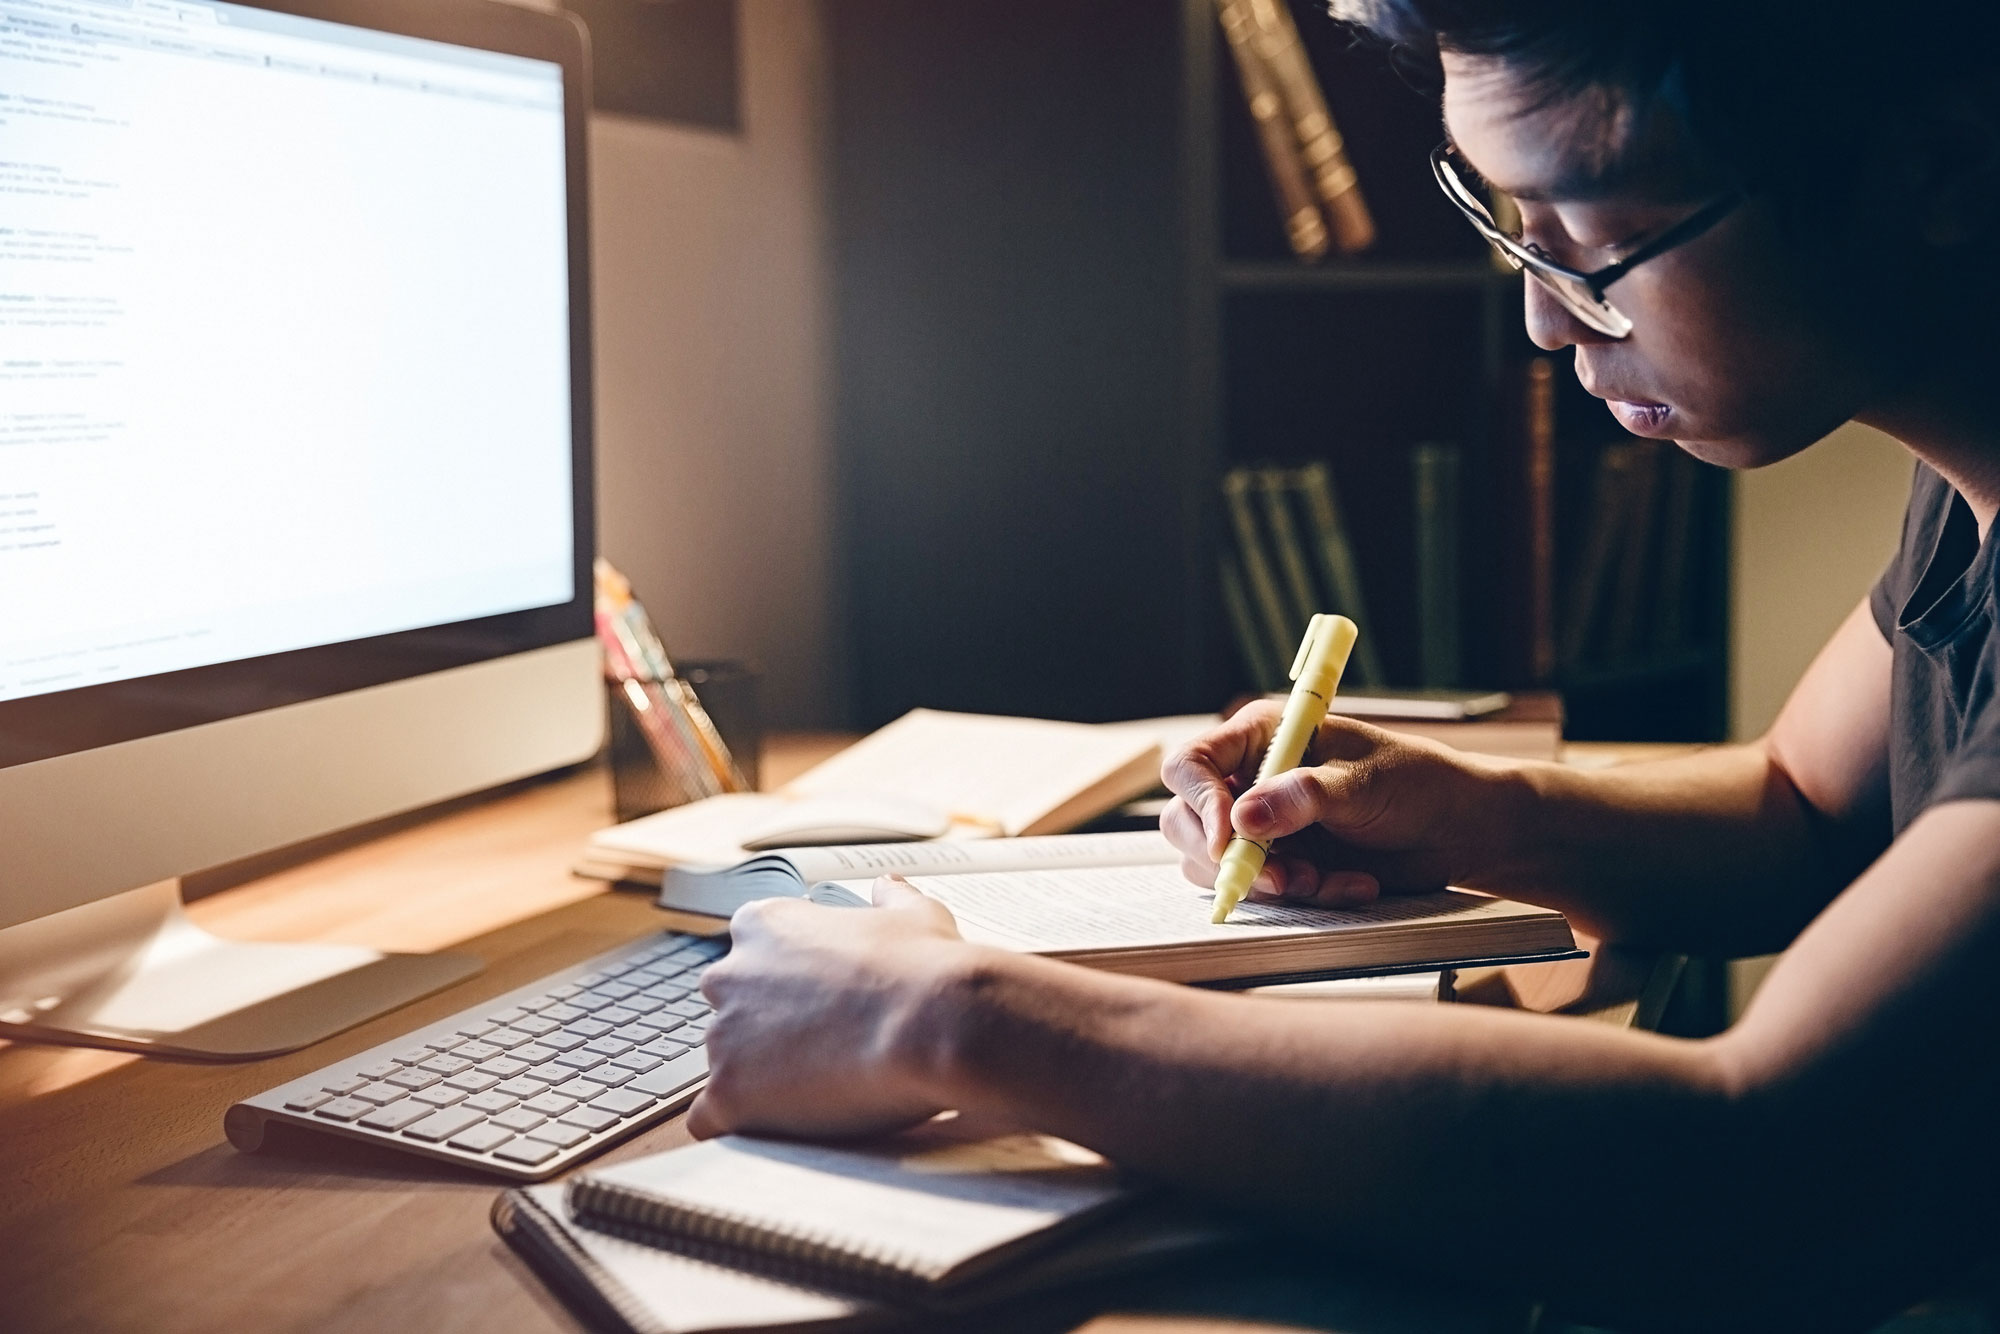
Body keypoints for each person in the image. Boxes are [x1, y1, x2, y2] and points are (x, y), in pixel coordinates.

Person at [686, 1, 2000, 1326]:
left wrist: (947, 1019)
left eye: (1594, 241)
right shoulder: (1968, 485)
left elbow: (1766, 1172)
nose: (1546, 321)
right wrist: (1473, 812)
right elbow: (1811, 809)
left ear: (1935, 170)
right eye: (1506, 225)